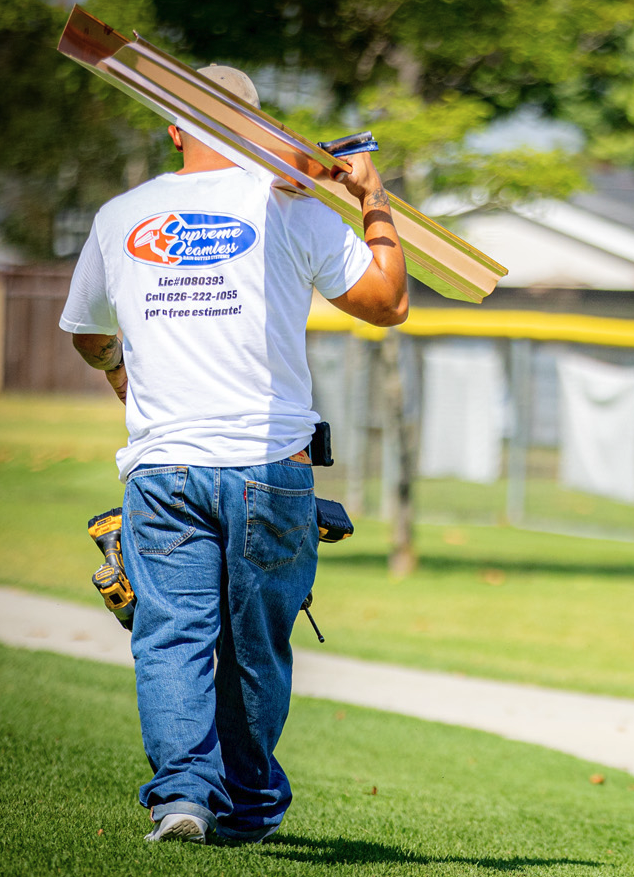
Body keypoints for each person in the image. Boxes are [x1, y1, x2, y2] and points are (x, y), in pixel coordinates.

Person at [59, 66, 407, 845]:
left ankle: (181, 795)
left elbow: (85, 330)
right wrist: (372, 198)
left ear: (174, 127)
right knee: (255, 647)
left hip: (163, 470)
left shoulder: (122, 215)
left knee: (171, 635)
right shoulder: (287, 206)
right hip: (268, 466)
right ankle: (246, 808)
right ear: (257, 130)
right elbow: (389, 301)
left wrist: (122, 376)